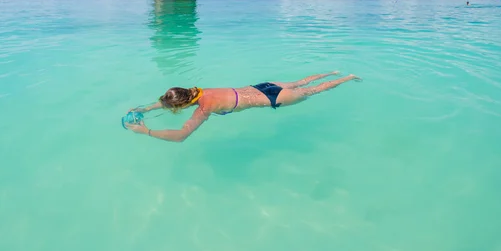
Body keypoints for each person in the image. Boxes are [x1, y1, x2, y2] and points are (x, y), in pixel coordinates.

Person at [126, 72, 360, 142]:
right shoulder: (199, 91)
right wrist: (146, 108)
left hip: (273, 98)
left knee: (313, 91)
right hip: (262, 86)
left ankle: (347, 78)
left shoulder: (204, 108)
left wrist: (145, 130)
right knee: (303, 83)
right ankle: (334, 73)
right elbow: (171, 98)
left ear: (184, 106)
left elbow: (180, 136)